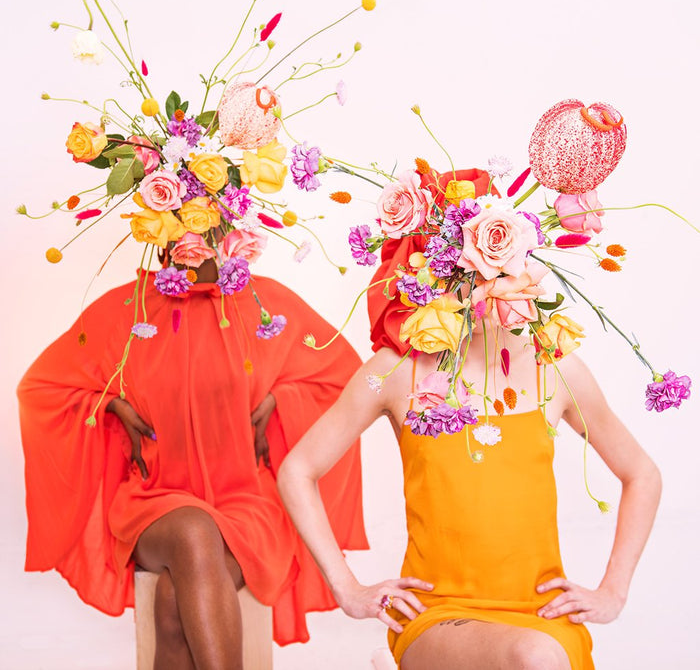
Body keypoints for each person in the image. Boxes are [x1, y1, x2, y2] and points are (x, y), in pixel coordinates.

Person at [277, 169, 662, 670]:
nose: (482, 291)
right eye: (466, 276)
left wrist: (613, 590)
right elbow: (297, 469)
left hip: (542, 612)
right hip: (439, 614)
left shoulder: (557, 367)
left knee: (537, 651)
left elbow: (643, 474)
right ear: (434, 276)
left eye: (498, 274)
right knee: (534, 658)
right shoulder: (394, 373)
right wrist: (347, 587)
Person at [18, 257, 368, 670]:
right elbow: (40, 388)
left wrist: (281, 399)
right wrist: (106, 403)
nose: (189, 233)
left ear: (228, 219)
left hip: (248, 504)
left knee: (172, 600)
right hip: (154, 502)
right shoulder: (127, 310)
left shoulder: (264, 304)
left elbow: (346, 379)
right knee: (193, 531)